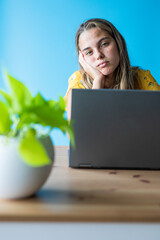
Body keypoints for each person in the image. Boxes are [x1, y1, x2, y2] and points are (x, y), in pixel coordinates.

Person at [64, 18, 160, 120]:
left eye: (104, 44)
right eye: (89, 52)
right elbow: (77, 134)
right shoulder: (78, 83)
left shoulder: (141, 78)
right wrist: (98, 80)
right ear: (82, 58)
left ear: (118, 44)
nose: (98, 55)